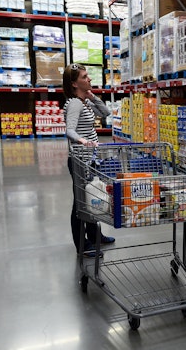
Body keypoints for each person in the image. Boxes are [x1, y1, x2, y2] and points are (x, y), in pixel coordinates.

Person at [63, 63, 114, 257]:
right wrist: (83, 140)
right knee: (81, 203)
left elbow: (106, 113)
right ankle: (82, 245)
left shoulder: (83, 101)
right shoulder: (75, 103)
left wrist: (91, 95)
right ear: (74, 84)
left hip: (88, 159)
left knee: (92, 197)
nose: (89, 79)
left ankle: (95, 236)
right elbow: (69, 130)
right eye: (84, 77)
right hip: (79, 159)